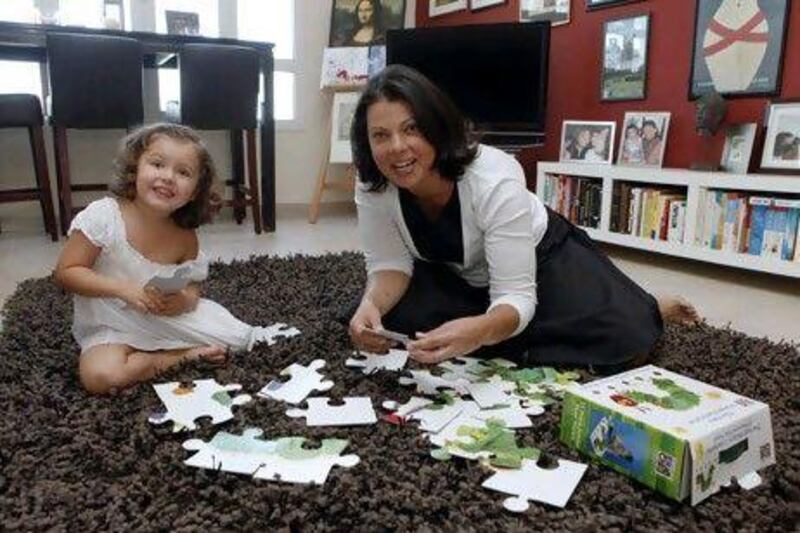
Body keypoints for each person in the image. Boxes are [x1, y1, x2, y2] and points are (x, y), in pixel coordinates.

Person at [347, 65, 697, 369]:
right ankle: (494, 327)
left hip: (542, 259)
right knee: (383, 319)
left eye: (411, 129)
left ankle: (648, 304)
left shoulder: (494, 176)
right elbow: (390, 264)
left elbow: (515, 294)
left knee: (627, 338)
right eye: (381, 135)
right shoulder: (373, 180)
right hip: (459, 275)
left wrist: (479, 333)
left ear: (436, 128)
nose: (396, 147)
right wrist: (370, 303)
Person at [53, 123, 262, 395]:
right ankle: (180, 357)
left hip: (161, 320)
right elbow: (66, 272)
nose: (168, 177)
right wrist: (123, 289)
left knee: (241, 340)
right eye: (157, 164)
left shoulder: (185, 235)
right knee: (101, 376)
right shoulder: (103, 217)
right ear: (134, 168)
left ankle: (175, 346)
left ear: (196, 190)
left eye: (183, 172)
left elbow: (193, 283)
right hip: (110, 324)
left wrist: (185, 299)